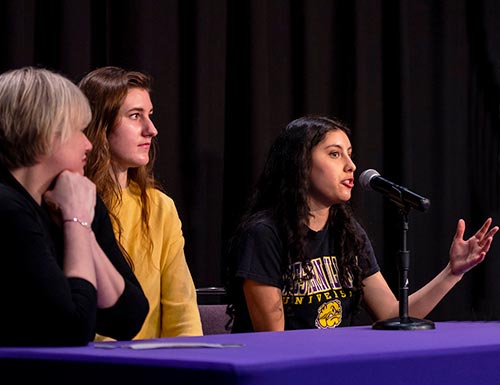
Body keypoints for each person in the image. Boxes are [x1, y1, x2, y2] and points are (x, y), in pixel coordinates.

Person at [225, 115, 498, 332]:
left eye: (349, 153)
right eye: (335, 154)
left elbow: (392, 314)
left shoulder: (347, 233)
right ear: (300, 164)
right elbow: (274, 341)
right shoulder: (264, 234)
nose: (351, 165)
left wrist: (453, 272)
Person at [0, 67, 149, 346]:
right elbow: (72, 329)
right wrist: (77, 223)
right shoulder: (7, 209)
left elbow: (129, 318)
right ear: (44, 133)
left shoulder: (73, 199)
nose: (89, 144)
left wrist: (81, 228)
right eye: (79, 130)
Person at [78, 66, 203, 339]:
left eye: (150, 116)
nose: (152, 130)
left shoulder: (160, 207)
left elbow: (182, 314)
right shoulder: (69, 204)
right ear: (100, 123)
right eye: (135, 116)